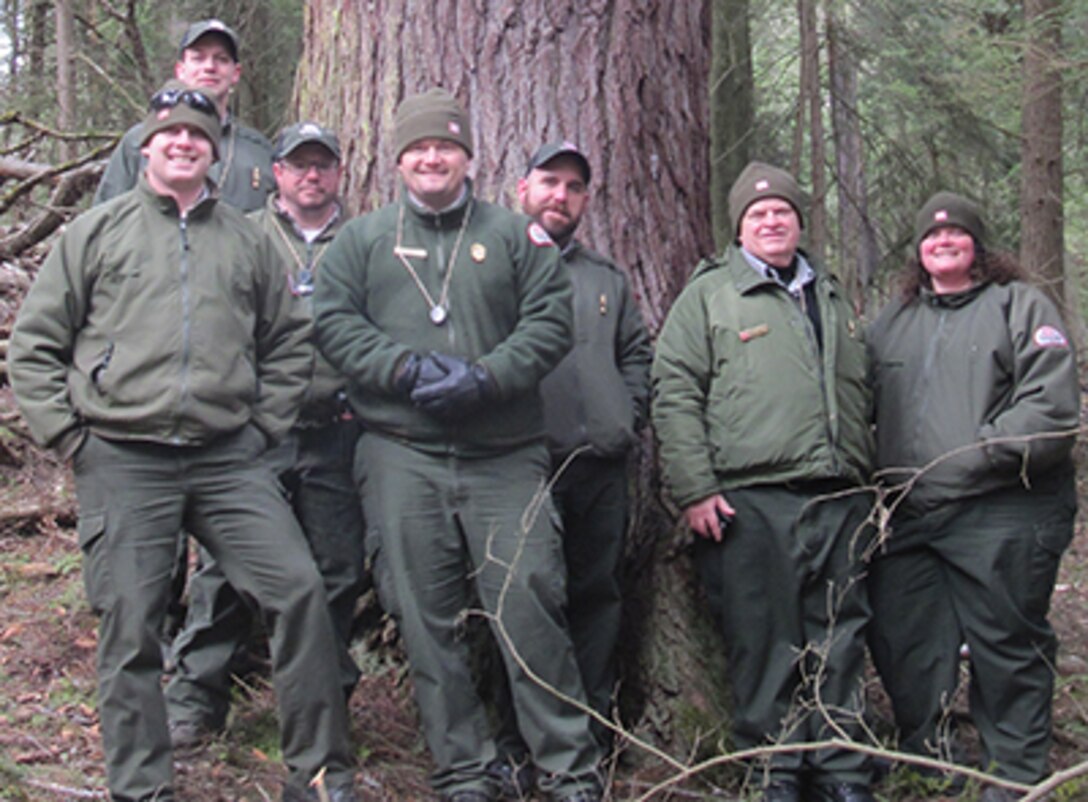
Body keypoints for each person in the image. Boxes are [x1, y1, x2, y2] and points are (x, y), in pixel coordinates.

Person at [7, 84, 356, 802]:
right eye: (171, 136)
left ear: (216, 155)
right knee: (130, 625)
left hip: (229, 459)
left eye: (199, 137)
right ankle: (142, 787)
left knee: (297, 593)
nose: (185, 144)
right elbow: (35, 345)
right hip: (124, 456)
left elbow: (289, 341)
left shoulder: (249, 239)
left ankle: (320, 777)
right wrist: (72, 437)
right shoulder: (97, 234)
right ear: (146, 148)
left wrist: (264, 427)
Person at [313, 89, 603, 802]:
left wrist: (486, 378)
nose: (432, 157)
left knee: (531, 599)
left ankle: (568, 766)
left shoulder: (514, 236)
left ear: (469, 156)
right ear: (399, 159)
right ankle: (465, 768)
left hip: (503, 453)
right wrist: (404, 369)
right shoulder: (362, 240)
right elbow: (333, 322)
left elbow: (548, 324)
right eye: (418, 148)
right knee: (425, 615)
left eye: (445, 146)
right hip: (398, 450)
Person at [651, 162, 876, 802]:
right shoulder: (710, 295)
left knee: (839, 635)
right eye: (757, 214)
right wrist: (694, 488)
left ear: (800, 221)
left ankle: (841, 769)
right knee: (763, 640)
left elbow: (865, 392)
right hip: (749, 501)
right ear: (739, 228)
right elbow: (674, 392)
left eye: (782, 211)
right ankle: (773, 768)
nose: (771, 221)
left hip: (838, 495)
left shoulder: (830, 295)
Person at [867, 192, 1079, 802]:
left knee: (1005, 640)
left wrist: (981, 449)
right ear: (917, 252)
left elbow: (1051, 406)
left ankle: (1011, 770)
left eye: (957, 235)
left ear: (978, 246)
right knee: (904, 636)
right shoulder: (894, 322)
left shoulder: (1020, 306)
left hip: (1004, 505)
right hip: (911, 509)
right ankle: (927, 755)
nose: (943, 243)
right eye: (932, 239)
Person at [165, 121, 366, 744]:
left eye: (322, 165)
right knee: (226, 568)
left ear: (338, 173)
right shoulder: (241, 234)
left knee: (334, 572)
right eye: (298, 164)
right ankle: (197, 697)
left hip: (338, 430)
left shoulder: (365, 241)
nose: (311, 175)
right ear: (275, 172)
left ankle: (322, 705)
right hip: (251, 432)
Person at [484, 141, 651, 793]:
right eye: (549, 182)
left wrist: (625, 413)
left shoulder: (606, 278)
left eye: (574, 187)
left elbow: (635, 353)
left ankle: (589, 735)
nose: (561, 196)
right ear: (521, 188)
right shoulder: (495, 265)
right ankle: (518, 742)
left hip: (600, 465)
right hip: (521, 464)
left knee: (595, 599)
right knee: (521, 603)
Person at [94, 18, 274, 211]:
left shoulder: (258, 150)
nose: (209, 67)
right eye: (198, 58)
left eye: (221, 59)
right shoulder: (139, 140)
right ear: (180, 70)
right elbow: (105, 219)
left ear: (236, 73)